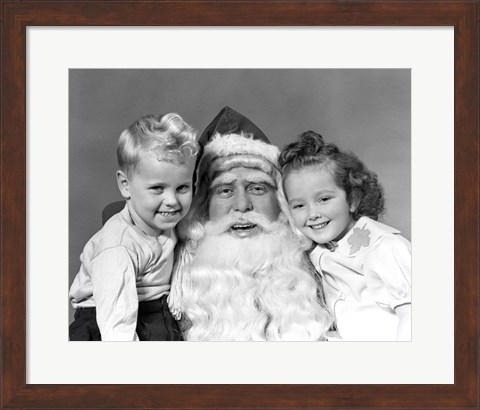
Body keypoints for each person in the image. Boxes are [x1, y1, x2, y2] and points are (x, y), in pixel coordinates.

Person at [168, 107, 332, 341]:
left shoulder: (325, 267)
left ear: (280, 202)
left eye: (257, 188)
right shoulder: (171, 277)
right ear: (203, 207)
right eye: (225, 190)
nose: (242, 205)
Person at [69, 113, 199, 341]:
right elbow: (117, 325)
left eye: (182, 188)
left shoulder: (167, 223)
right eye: (158, 188)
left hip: (154, 311)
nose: (172, 200)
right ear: (125, 185)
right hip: (109, 321)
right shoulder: (117, 248)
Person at [279, 131, 411, 341]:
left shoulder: (385, 248)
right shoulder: (320, 250)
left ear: (353, 200)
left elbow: (413, 316)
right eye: (299, 205)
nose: (313, 214)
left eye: (323, 199)